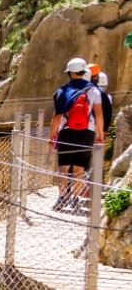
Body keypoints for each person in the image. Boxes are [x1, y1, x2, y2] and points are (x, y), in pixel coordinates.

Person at [50, 57, 105, 211]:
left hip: (66, 131)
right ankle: (75, 199)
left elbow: (57, 116)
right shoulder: (94, 90)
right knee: (79, 168)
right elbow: (99, 115)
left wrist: (52, 135)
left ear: (70, 73)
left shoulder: (62, 91)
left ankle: (62, 199)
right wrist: (100, 134)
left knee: (64, 167)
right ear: (83, 72)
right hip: (87, 132)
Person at [88, 63, 113, 132]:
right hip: (96, 127)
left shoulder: (81, 89)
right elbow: (107, 114)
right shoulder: (103, 94)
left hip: (81, 126)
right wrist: (104, 130)